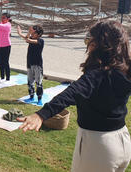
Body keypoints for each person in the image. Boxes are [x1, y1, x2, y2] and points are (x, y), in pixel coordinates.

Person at [17, 21, 131, 172]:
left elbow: (71, 93)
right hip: (122, 141)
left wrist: (41, 115)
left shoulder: (98, 74)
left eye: (92, 38)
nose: (89, 42)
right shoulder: (125, 68)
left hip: (98, 146)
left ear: (100, 43)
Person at [17, 25, 44, 103]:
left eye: (34, 33)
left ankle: (39, 99)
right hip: (29, 63)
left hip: (38, 65)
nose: (32, 34)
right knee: (30, 82)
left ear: (38, 34)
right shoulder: (31, 38)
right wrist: (21, 33)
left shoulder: (40, 41)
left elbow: (28, 40)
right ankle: (31, 97)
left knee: (38, 83)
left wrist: (28, 33)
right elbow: (26, 39)